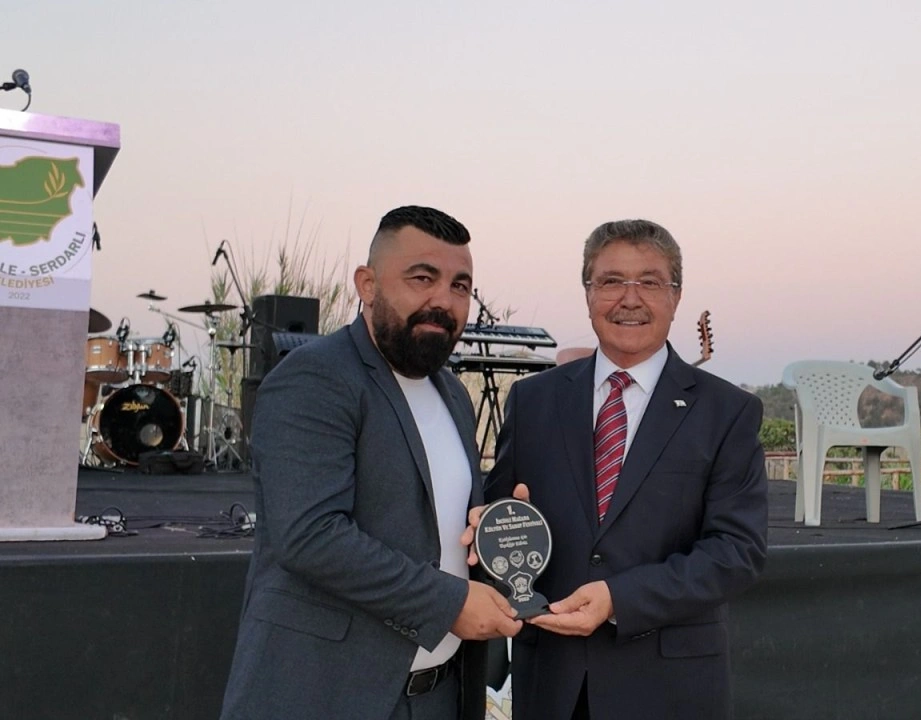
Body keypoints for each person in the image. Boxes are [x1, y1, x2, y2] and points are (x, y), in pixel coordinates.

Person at [220, 206, 523, 720]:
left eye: (460, 286)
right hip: (327, 695)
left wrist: (499, 524)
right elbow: (311, 536)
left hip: (440, 696)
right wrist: (450, 604)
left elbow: (434, 522)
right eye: (422, 278)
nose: (443, 300)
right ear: (367, 284)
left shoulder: (452, 393)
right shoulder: (315, 377)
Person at [474, 219, 768, 720]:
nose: (629, 299)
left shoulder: (728, 412)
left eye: (650, 282)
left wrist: (618, 599)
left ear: (675, 296)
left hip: (670, 688)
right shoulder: (532, 401)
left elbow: (736, 552)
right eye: (611, 281)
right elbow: (496, 521)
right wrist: (492, 530)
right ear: (588, 293)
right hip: (551, 682)